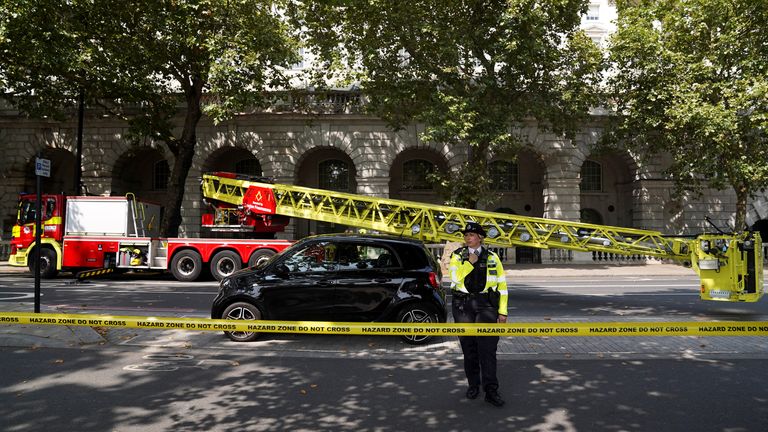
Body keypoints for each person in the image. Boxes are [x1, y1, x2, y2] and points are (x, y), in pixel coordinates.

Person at [449, 221, 508, 407]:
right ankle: (473, 385)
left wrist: (503, 311)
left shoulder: (492, 257)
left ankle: (491, 390)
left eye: (471, 235)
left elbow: (502, 286)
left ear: (480, 237)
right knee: (469, 348)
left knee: (488, 350)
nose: (468, 238)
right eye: (466, 235)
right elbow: (454, 278)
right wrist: (468, 264)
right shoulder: (458, 256)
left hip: (487, 306)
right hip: (463, 306)